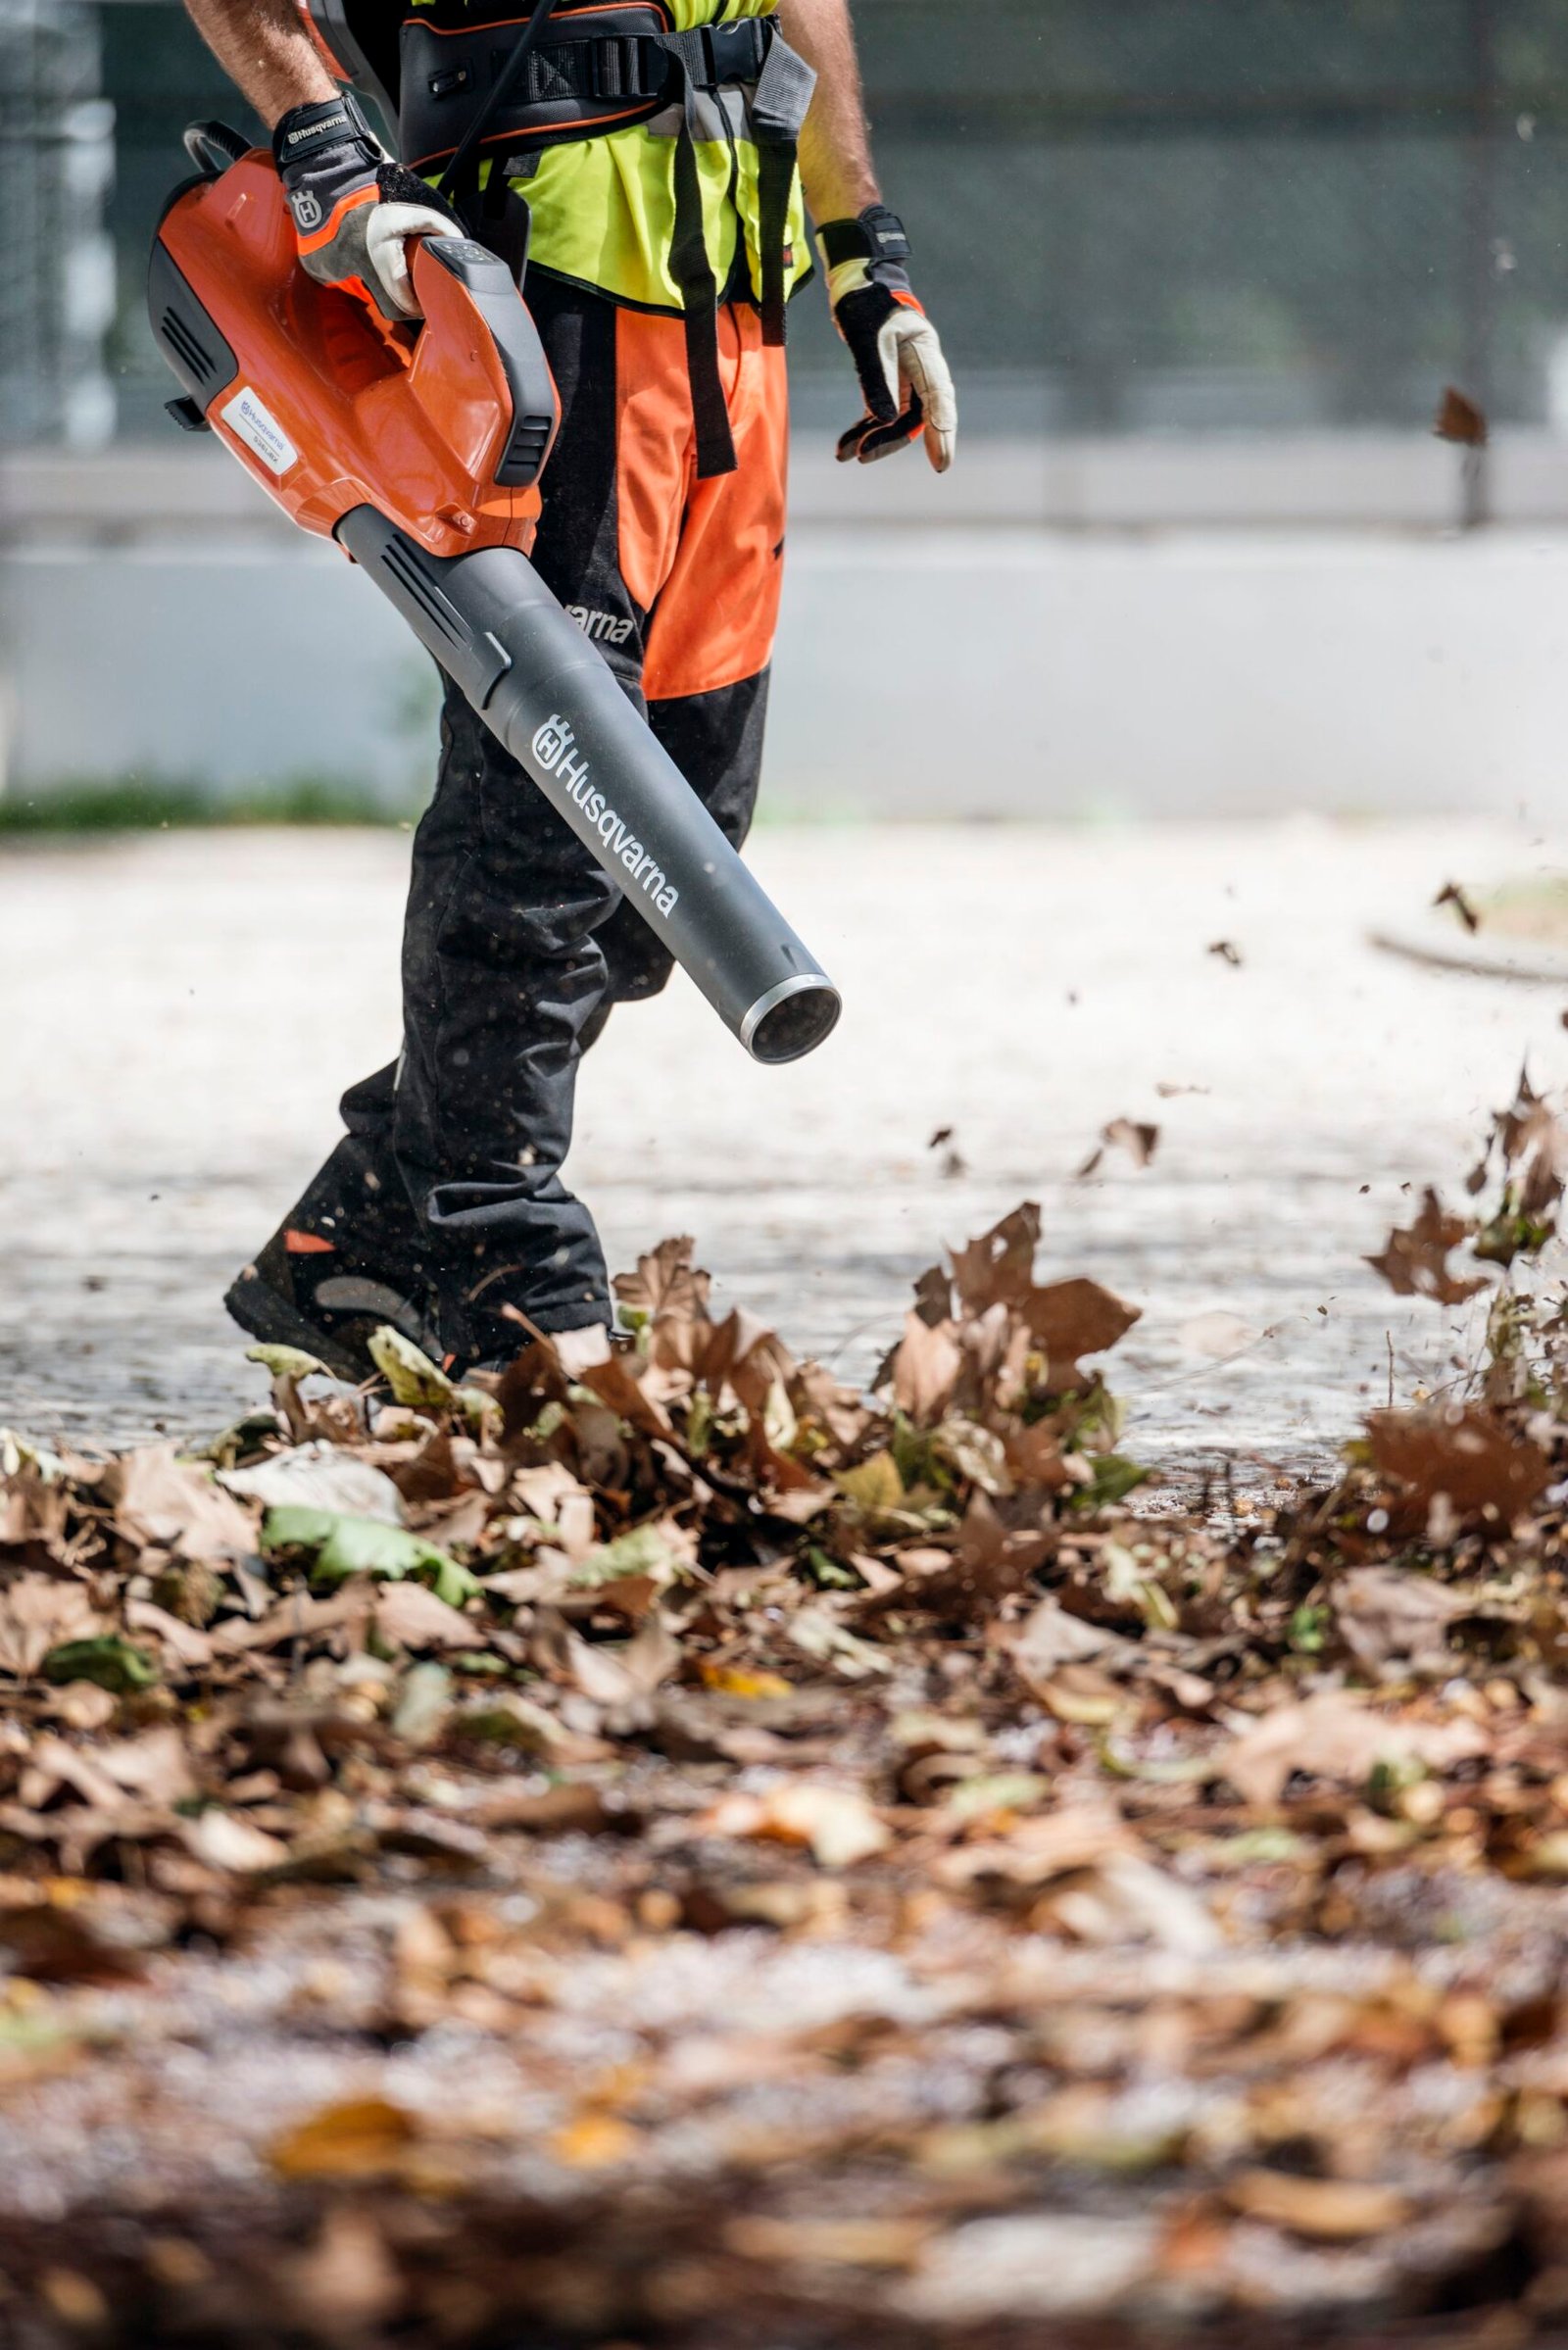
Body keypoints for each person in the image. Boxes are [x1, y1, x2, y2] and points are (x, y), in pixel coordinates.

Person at [183, 0, 956, 1381]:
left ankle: (362, 1226)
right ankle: (500, 1257)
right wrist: (328, 157)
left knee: (674, 871)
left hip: (735, 309)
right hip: (544, 289)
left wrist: (866, 257)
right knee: (548, 826)